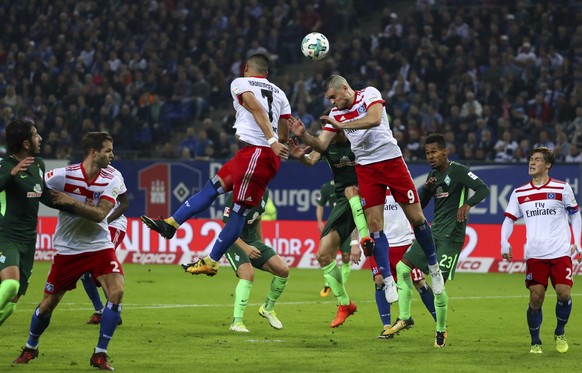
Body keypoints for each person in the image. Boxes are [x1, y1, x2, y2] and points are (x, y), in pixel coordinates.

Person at [289, 75, 445, 307]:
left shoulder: (369, 94)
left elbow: (373, 119)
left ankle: (433, 267)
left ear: (344, 89)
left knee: (417, 218)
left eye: (333, 97)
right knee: (374, 227)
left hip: (391, 161)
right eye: (329, 99)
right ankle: (388, 280)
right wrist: (304, 136)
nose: (332, 103)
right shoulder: (335, 115)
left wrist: (344, 125)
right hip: (366, 168)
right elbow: (321, 145)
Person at [141, 53, 290, 276]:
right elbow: (285, 128)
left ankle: (211, 260)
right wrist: (281, 142)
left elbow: (255, 107)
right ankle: (171, 224)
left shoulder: (240, 82)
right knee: (212, 187)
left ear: (246, 67)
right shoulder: (280, 93)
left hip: (260, 154)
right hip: (251, 153)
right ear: (267, 73)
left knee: (238, 213)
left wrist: (270, 141)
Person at [13, 132, 124, 371]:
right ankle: (31, 347)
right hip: (68, 249)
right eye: (108, 151)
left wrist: (70, 202)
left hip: (99, 246)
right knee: (48, 304)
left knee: (116, 292)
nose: (112, 155)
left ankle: (100, 354)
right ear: (93, 153)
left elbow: (100, 215)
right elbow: (39, 191)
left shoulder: (112, 178)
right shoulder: (62, 176)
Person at [384, 133, 490, 348]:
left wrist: (467, 205)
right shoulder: (433, 176)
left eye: (434, 152)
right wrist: (427, 189)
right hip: (433, 233)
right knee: (403, 268)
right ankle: (404, 317)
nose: (430, 156)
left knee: (437, 283)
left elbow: (483, 189)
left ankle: (440, 331)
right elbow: (419, 206)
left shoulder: (458, 171)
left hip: (452, 237)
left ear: (444, 152)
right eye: (427, 153)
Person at [288, 127, 373, 328]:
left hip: (369, 194)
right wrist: (300, 157)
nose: (324, 136)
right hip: (344, 199)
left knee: (385, 272)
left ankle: (364, 238)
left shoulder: (358, 141)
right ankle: (345, 304)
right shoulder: (326, 146)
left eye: (328, 130)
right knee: (323, 255)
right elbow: (310, 160)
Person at [501, 146, 581, 354]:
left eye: (537, 159)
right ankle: (535, 341)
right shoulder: (520, 192)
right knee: (536, 297)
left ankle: (560, 332)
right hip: (535, 254)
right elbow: (509, 220)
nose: (532, 162)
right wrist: (504, 242)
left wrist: (577, 242)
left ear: (548, 165)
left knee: (564, 293)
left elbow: (575, 215)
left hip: (560, 252)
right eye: (530, 158)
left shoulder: (562, 188)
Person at [0, 119, 53, 327]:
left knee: (12, 303)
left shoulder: (38, 165)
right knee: (11, 285)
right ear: (26, 143)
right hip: (6, 236)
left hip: (29, 240)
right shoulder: (5, 165)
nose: (40, 138)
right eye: (35, 134)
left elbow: (46, 196)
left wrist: (78, 206)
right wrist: (13, 173)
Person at [217, 189, 289, 332]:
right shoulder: (236, 194)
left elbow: (258, 216)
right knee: (247, 274)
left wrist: (261, 243)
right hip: (233, 241)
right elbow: (227, 227)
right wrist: (245, 248)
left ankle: (267, 309)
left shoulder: (265, 192)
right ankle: (236, 323)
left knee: (283, 270)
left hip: (252, 241)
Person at [374, 188, 437, 339]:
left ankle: (440, 323)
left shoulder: (401, 187)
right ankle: (388, 327)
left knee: (419, 282)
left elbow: (416, 211)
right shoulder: (373, 189)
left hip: (404, 243)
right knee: (379, 281)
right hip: (383, 244)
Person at [83, 164, 129, 325]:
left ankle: (115, 310)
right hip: (92, 224)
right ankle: (100, 311)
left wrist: (105, 221)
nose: (112, 156)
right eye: (108, 151)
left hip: (114, 225)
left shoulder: (114, 174)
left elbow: (124, 204)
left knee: (102, 266)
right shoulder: (82, 172)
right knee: (84, 270)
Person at [316, 180, 359, 297]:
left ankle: (341, 284)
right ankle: (328, 284)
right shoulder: (326, 188)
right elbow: (320, 205)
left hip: (348, 226)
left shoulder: (350, 188)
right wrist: (319, 221)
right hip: (334, 227)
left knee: (346, 256)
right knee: (329, 256)